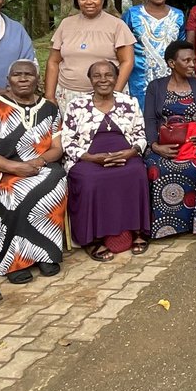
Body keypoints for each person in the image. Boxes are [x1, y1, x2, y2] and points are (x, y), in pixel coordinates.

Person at [0, 60, 67, 284]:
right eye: (17, 75)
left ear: (37, 79)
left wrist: (39, 161)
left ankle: (44, 253)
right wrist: (14, 167)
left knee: (56, 179)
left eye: (28, 74)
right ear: (8, 80)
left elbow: (57, 148)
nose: (23, 78)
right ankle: (12, 260)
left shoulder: (49, 108)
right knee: (15, 192)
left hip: (38, 167)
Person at [63, 61, 150, 261]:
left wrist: (131, 152)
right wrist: (91, 158)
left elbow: (140, 134)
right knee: (89, 180)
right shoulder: (77, 105)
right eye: (97, 75)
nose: (103, 79)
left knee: (136, 173)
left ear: (116, 77)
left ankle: (136, 230)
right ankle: (93, 239)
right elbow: (67, 141)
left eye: (108, 75)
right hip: (88, 157)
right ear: (90, 79)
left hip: (125, 154)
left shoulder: (129, 102)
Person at [142, 41, 196, 240]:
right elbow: (150, 119)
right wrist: (155, 146)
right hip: (164, 144)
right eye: (186, 60)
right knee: (156, 168)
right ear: (171, 63)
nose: (193, 64)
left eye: (194, 60)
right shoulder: (156, 87)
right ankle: (163, 226)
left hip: (194, 144)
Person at [44, 0, 135, 114]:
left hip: (107, 94)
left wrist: (114, 93)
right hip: (68, 94)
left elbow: (127, 62)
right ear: (77, 1)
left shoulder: (117, 25)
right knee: (73, 134)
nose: (89, 2)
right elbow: (53, 61)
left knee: (105, 133)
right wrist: (50, 96)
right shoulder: (66, 24)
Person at [123, 0, 186, 101]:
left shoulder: (178, 15)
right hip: (139, 80)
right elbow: (122, 44)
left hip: (171, 78)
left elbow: (182, 47)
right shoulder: (132, 14)